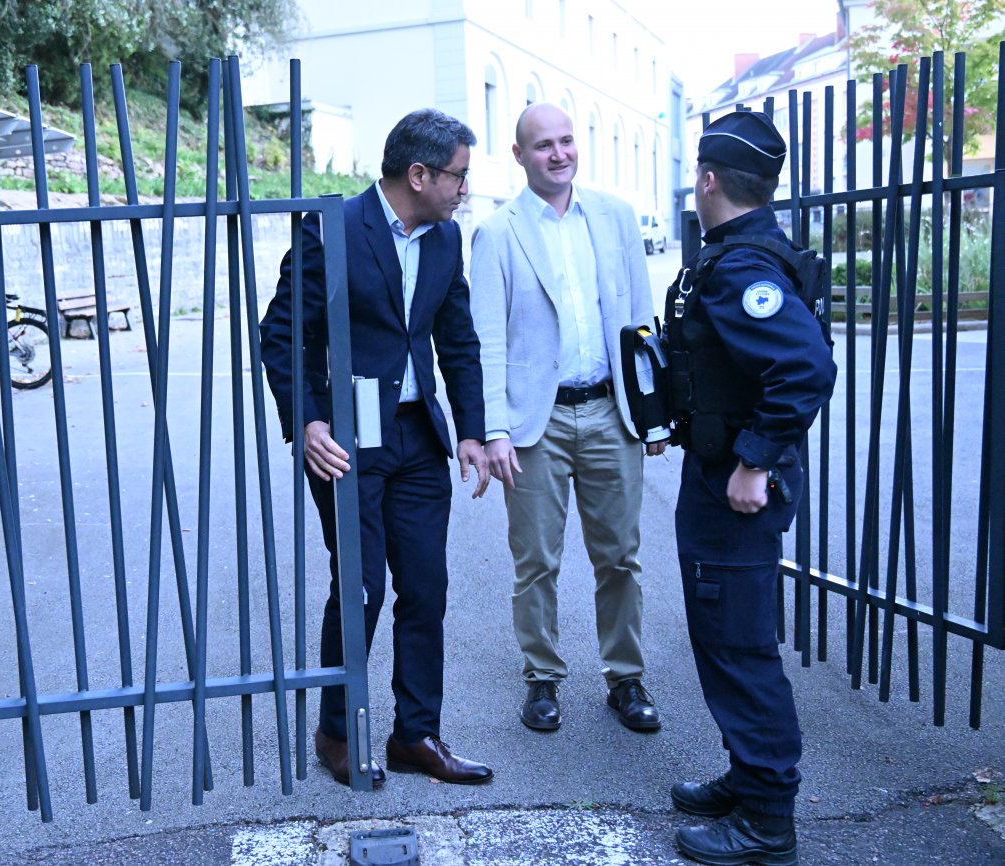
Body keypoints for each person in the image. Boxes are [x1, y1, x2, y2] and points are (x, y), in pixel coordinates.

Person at [259, 108, 494, 788]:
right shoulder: (332, 228)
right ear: (419, 175)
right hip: (348, 441)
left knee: (425, 587)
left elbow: (458, 338)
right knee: (361, 588)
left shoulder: (446, 239)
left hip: (418, 438)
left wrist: (471, 430)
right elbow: (282, 334)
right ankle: (337, 732)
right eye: (458, 176)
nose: (465, 190)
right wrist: (308, 422)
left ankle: (415, 734)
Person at [663, 110, 837, 866]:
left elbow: (805, 367)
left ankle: (767, 818)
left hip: (735, 488)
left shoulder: (741, 267)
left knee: (738, 646)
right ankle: (748, 776)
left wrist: (754, 460)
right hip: (719, 473)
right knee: (724, 637)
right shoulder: (743, 252)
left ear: (709, 180)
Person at [469, 102, 665, 735]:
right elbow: (486, 340)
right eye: (543, 145)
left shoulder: (615, 218)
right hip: (537, 424)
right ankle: (542, 677)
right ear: (519, 155)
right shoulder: (497, 233)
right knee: (536, 562)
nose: (559, 154)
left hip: (611, 411)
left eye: (566, 141)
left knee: (621, 557)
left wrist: (652, 413)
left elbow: (640, 323)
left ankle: (626, 677)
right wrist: (495, 429)